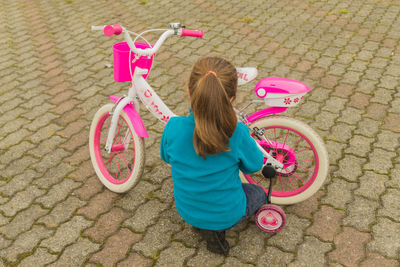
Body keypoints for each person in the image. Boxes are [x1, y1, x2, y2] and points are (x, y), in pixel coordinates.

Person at [160, 56, 266, 255]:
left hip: (186, 209)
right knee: (258, 193)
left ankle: (203, 226)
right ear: (232, 97)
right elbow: (255, 165)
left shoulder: (173, 127)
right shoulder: (237, 132)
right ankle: (216, 230)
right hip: (227, 212)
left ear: (189, 91)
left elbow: (166, 157)